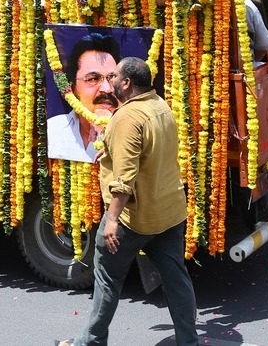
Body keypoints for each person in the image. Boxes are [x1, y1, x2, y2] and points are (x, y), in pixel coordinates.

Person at [61, 57, 198, 346]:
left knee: (107, 282)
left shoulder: (127, 118)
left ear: (126, 83)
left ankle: (91, 343)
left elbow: (124, 179)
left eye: (113, 77)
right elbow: (147, 152)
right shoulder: (160, 106)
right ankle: (188, 342)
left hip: (133, 219)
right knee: (176, 280)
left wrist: (111, 220)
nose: (109, 84)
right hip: (169, 212)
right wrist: (110, 150)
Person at [47, 32, 121, 162]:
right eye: (93, 79)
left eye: (112, 78)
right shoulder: (53, 130)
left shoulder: (135, 136)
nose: (107, 89)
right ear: (73, 87)